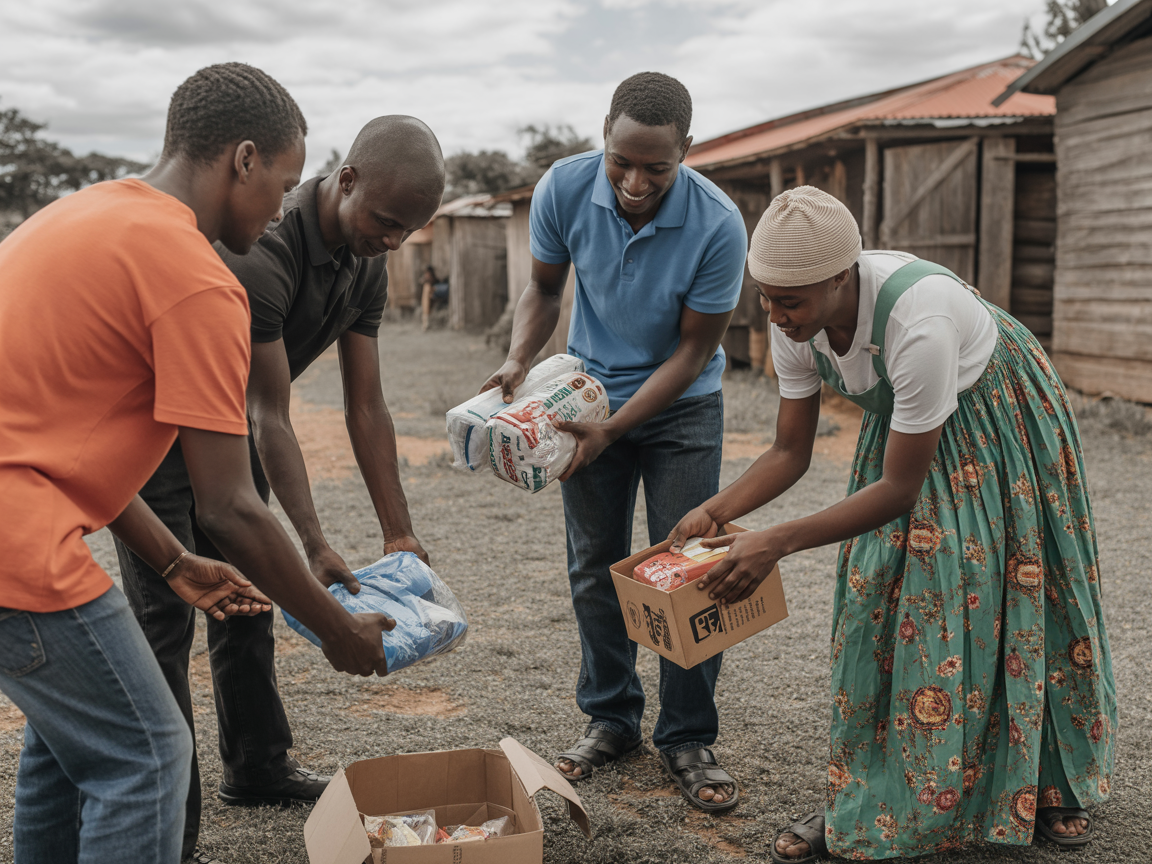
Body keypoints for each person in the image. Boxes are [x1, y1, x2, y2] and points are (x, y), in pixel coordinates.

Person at [0, 63, 395, 864]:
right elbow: (232, 507)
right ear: (243, 159)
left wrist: (174, 559)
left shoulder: (79, 215)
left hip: (23, 518)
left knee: (69, 747)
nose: (285, 207)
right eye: (284, 184)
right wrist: (337, 632)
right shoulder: (198, 280)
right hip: (20, 550)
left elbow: (53, 443)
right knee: (145, 754)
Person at [668, 187, 1116, 860]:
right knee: (882, 604)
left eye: (790, 300)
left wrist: (777, 542)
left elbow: (901, 488)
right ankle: (870, 792)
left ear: (842, 278)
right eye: (765, 296)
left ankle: (1050, 786)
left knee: (1012, 590)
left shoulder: (919, 324)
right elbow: (791, 451)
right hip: (909, 424)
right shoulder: (794, 320)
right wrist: (721, 510)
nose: (775, 315)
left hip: (997, 411)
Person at [112, 115, 444, 862]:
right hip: (158, 443)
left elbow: (366, 405)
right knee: (165, 627)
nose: (393, 240)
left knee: (249, 610)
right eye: (387, 222)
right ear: (346, 179)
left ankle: (256, 767)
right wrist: (313, 540)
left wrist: (399, 531)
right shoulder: (263, 250)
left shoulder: (367, 260)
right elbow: (269, 414)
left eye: (408, 231)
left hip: (226, 433)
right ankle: (175, 832)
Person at [481, 72, 747, 811]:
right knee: (595, 566)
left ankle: (688, 735)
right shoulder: (563, 189)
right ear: (604, 134)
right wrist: (518, 360)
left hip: (681, 408)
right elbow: (542, 289)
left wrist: (619, 428)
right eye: (620, 161)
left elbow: (692, 352)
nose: (634, 181)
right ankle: (611, 720)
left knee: (685, 570)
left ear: (685, 151)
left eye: (656, 167)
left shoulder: (719, 225)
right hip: (585, 400)